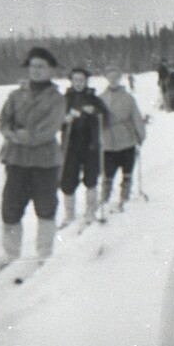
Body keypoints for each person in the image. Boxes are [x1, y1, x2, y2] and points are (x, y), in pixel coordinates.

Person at [0, 46, 67, 266]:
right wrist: (16, 133)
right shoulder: (16, 95)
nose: (36, 71)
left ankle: (44, 254)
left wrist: (16, 134)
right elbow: (3, 121)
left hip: (45, 162)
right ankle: (11, 254)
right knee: (10, 208)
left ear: (50, 70)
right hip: (16, 160)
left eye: (41, 66)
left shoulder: (56, 99)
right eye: (33, 66)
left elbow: (45, 133)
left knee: (45, 207)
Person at [60, 66, 110, 227]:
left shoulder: (93, 98)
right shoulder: (65, 99)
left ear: (86, 81)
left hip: (91, 145)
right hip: (70, 146)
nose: (78, 83)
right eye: (75, 80)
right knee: (68, 180)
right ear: (71, 81)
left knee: (91, 178)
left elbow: (105, 116)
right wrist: (64, 120)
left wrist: (95, 111)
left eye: (81, 80)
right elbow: (55, 121)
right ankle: (69, 215)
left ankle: (91, 212)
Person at [99, 69, 148, 212]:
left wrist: (140, 135)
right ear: (106, 77)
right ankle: (105, 197)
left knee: (127, 170)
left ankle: (125, 196)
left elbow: (136, 117)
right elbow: (96, 120)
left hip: (127, 139)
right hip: (108, 141)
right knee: (108, 172)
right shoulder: (101, 98)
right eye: (110, 76)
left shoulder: (128, 98)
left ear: (120, 78)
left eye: (116, 77)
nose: (113, 79)